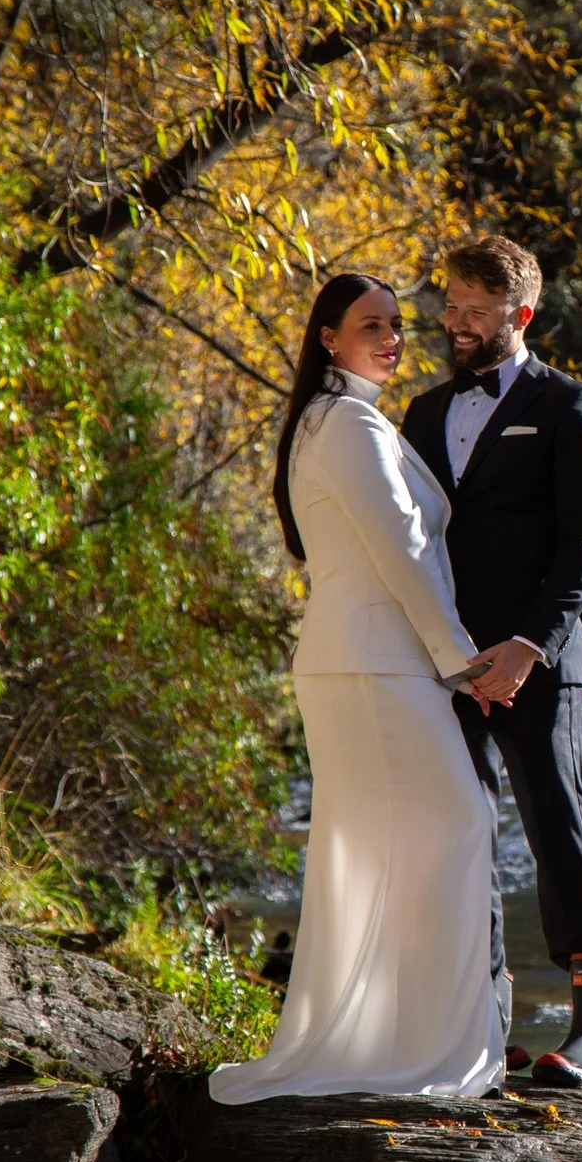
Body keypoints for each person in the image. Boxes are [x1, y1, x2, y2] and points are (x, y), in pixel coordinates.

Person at [209, 273, 510, 1104]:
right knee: (458, 820)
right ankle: (423, 1051)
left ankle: (375, 1043)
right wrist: (462, 662)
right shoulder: (347, 426)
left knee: (375, 852)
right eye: (371, 325)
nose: (392, 337)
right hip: (377, 666)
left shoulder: (326, 420)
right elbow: (403, 552)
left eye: (398, 326)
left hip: (353, 662)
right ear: (328, 338)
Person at [401, 236, 582, 1086]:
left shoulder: (573, 408)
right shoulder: (422, 413)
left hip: (537, 659)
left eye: (471, 311)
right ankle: (483, 1026)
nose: (453, 323)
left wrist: (528, 647)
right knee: (462, 832)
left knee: (554, 824)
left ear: (519, 315)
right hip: (447, 659)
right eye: (449, 306)